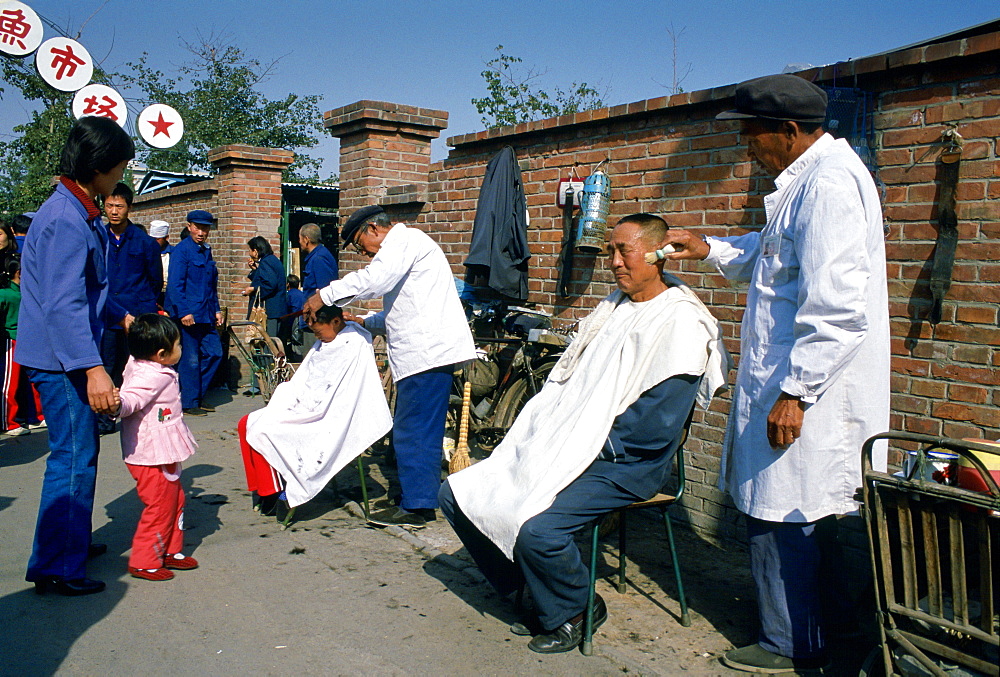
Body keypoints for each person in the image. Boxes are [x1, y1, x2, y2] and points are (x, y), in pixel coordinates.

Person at [661, 74, 890, 674]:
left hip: (812, 389)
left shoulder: (832, 185)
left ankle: (791, 644)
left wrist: (797, 393)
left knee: (790, 510)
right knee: (784, 504)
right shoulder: (806, 182)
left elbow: (838, 309)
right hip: (793, 381)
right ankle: (805, 637)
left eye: (750, 132)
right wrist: (707, 246)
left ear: (788, 132)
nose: (745, 146)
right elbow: (771, 252)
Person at [440, 214, 730, 654]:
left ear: (657, 256)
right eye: (610, 251)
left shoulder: (680, 324)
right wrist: (550, 440)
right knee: (458, 494)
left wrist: (574, 450)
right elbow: (571, 385)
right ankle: (537, 592)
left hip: (625, 463)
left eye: (623, 252)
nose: (613, 261)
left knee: (539, 530)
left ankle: (575, 610)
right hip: (570, 445)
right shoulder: (613, 309)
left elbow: (652, 429)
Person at [18, 115, 135, 596]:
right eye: (119, 167)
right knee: (74, 457)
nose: (119, 178)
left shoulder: (72, 210)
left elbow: (87, 294)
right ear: (100, 167)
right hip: (61, 359)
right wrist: (93, 370)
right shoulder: (67, 219)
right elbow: (64, 305)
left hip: (61, 354)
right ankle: (57, 567)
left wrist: (125, 318)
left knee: (79, 452)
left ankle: (66, 545)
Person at [302, 206, 476, 527]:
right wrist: (365, 320)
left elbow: (374, 280)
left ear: (373, 228)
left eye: (359, 244)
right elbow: (402, 311)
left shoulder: (404, 241)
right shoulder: (406, 248)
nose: (363, 253)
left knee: (414, 430)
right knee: (416, 428)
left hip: (427, 354)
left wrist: (324, 296)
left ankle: (417, 507)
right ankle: (416, 495)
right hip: (425, 352)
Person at [237, 304, 391, 520]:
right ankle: (265, 488)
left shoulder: (354, 344)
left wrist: (306, 407)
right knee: (245, 423)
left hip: (331, 415)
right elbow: (307, 379)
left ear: (336, 322)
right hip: (306, 406)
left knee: (261, 430)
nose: (317, 336)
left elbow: (339, 393)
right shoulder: (326, 342)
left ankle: (274, 493)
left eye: (319, 330)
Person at [115, 313, 199, 581]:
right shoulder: (148, 376)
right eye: (178, 346)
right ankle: (145, 560)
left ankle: (170, 550)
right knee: (160, 506)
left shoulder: (149, 366)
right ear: (162, 354)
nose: (181, 349)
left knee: (176, 500)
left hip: (164, 448)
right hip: (150, 454)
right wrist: (117, 405)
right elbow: (131, 400)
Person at [99, 182, 163, 434]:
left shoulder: (145, 242)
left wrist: (141, 312)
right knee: (107, 367)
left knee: (138, 367)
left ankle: (138, 417)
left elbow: (155, 280)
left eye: (119, 206)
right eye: (109, 206)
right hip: (106, 315)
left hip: (136, 315)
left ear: (129, 208)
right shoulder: (97, 237)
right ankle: (105, 419)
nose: (114, 211)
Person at [164, 210, 223, 417]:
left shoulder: (206, 251)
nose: (201, 232)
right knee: (190, 359)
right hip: (189, 315)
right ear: (189, 226)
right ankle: (189, 402)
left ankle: (196, 394)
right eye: (197, 227)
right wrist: (183, 312)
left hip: (205, 313)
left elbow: (210, 286)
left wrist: (216, 309)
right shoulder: (182, 251)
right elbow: (175, 285)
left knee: (215, 353)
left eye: (205, 228)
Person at [0, 254, 44, 435]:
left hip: (27, 339)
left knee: (31, 381)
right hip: (12, 341)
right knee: (10, 384)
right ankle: (8, 422)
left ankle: (35, 417)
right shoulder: (6, 293)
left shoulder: (23, 291)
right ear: (19, 272)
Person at [297, 222, 338, 353]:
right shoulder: (317, 256)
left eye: (299, 239)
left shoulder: (319, 258)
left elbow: (324, 291)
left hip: (317, 321)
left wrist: (316, 321)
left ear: (306, 239)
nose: (299, 242)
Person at [239, 236, 286, 338]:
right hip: (277, 310)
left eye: (250, 250)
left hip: (270, 311)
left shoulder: (266, 261)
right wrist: (255, 270)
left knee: (269, 341)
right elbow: (265, 279)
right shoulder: (272, 260)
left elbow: (270, 284)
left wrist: (252, 289)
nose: (249, 254)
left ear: (255, 251)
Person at [279, 273, 305, 362]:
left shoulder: (288, 295)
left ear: (288, 284)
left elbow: (287, 311)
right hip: (304, 322)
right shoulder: (303, 294)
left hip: (293, 323)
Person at [148, 219, 172, 304]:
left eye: (157, 239)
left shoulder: (174, 253)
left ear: (166, 238)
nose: (154, 242)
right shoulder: (146, 253)